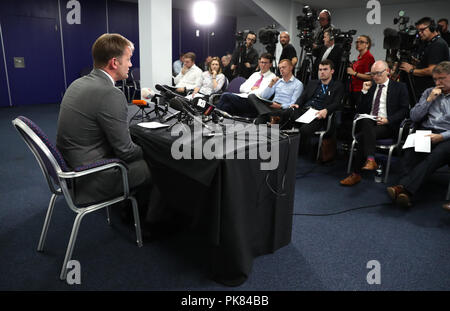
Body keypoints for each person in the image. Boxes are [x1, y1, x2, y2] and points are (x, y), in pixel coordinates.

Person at [56, 33, 151, 215]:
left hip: (71, 168)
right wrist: (149, 149)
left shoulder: (77, 83)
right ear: (114, 63)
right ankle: (147, 221)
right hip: (90, 177)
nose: (131, 65)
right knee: (153, 164)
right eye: (129, 59)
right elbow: (126, 152)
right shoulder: (110, 94)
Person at [387, 61, 450, 207]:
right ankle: (405, 193)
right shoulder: (429, 92)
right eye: (435, 79)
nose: (438, 82)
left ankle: (403, 189)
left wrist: (441, 137)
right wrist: (429, 100)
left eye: (442, 78)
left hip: (447, 136)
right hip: (427, 131)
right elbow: (414, 116)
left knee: (437, 154)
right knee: (411, 151)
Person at [340, 60, 409, 186]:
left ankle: (356, 174)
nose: (375, 77)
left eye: (378, 74)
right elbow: (360, 110)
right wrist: (364, 92)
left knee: (362, 137)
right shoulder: (371, 87)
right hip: (370, 123)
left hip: (387, 125)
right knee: (366, 121)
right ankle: (370, 159)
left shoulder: (399, 87)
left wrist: (389, 119)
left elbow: (405, 110)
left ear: (387, 72)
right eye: (372, 74)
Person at [279, 59, 344, 158]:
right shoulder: (313, 83)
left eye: (325, 69)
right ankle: (280, 145)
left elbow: (337, 103)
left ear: (332, 71)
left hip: (319, 114)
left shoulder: (337, 86)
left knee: (304, 130)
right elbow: (303, 97)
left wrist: (326, 110)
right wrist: (296, 104)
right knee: (287, 112)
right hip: (305, 111)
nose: (322, 72)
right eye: (320, 69)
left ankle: (299, 153)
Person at [399, 17, 449, 102]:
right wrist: (418, 64)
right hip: (425, 89)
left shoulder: (438, 44)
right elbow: (430, 63)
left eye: (422, 30)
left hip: (431, 91)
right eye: (418, 31)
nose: (420, 33)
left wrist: (411, 70)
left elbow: (432, 70)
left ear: (432, 28)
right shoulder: (429, 43)